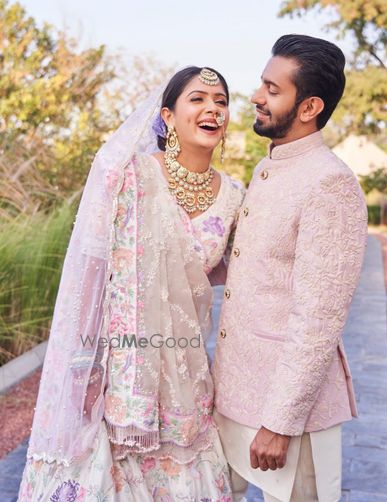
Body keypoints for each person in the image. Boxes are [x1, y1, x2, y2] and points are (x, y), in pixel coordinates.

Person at [18, 66, 245, 501]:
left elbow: (227, 277)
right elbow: (90, 274)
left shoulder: (234, 196)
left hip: (187, 378)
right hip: (120, 374)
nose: (212, 108)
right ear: (168, 115)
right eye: (197, 99)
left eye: (220, 101)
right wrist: (85, 366)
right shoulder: (127, 176)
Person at [213, 34, 368, 502]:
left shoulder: (330, 183)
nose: (257, 97)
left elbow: (318, 319)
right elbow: (249, 269)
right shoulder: (268, 169)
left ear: (309, 107)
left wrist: (280, 423)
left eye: (272, 89)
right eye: (262, 84)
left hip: (288, 415)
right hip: (233, 394)